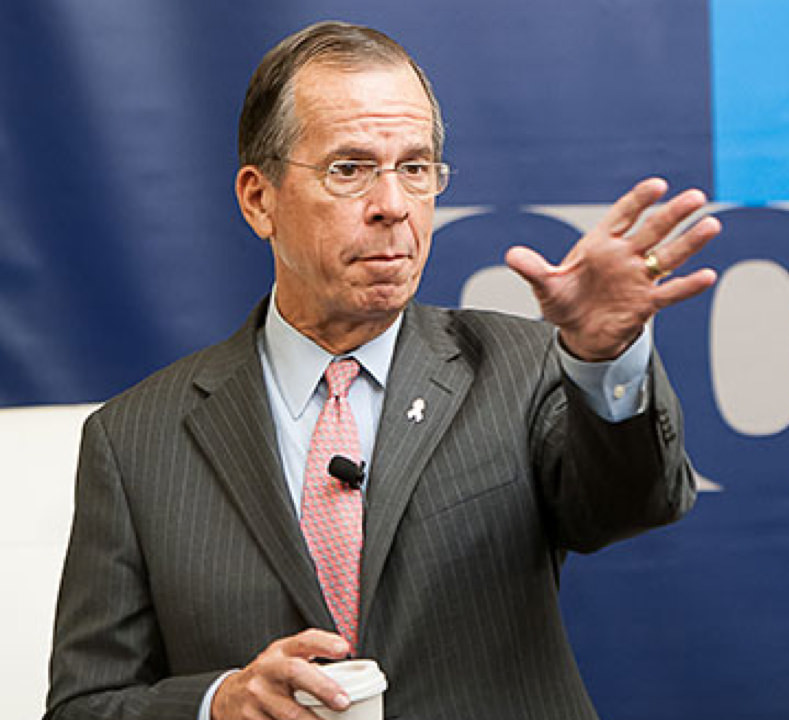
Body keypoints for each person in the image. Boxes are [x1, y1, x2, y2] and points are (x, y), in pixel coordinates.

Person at [44, 20, 720, 720]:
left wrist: (604, 356)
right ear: (259, 199)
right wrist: (219, 704)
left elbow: (635, 502)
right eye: (350, 169)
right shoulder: (134, 441)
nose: (393, 206)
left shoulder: (525, 369)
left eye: (416, 168)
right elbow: (84, 706)